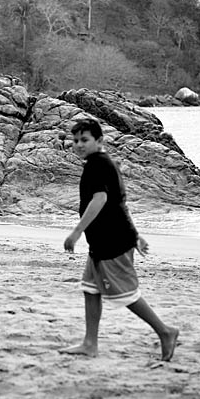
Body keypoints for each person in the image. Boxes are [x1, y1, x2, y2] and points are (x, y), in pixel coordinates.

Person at [61, 118, 178, 361]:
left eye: (85, 140)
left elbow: (100, 200)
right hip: (103, 241)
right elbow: (120, 202)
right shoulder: (100, 162)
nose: (79, 145)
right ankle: (90, 343)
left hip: (111, 242)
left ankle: (165, 332)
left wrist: (76, 232)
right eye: (76, 140)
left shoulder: (98, 164)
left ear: (99, 141)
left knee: (125, 293)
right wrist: (136, 236)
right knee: (90, 289)